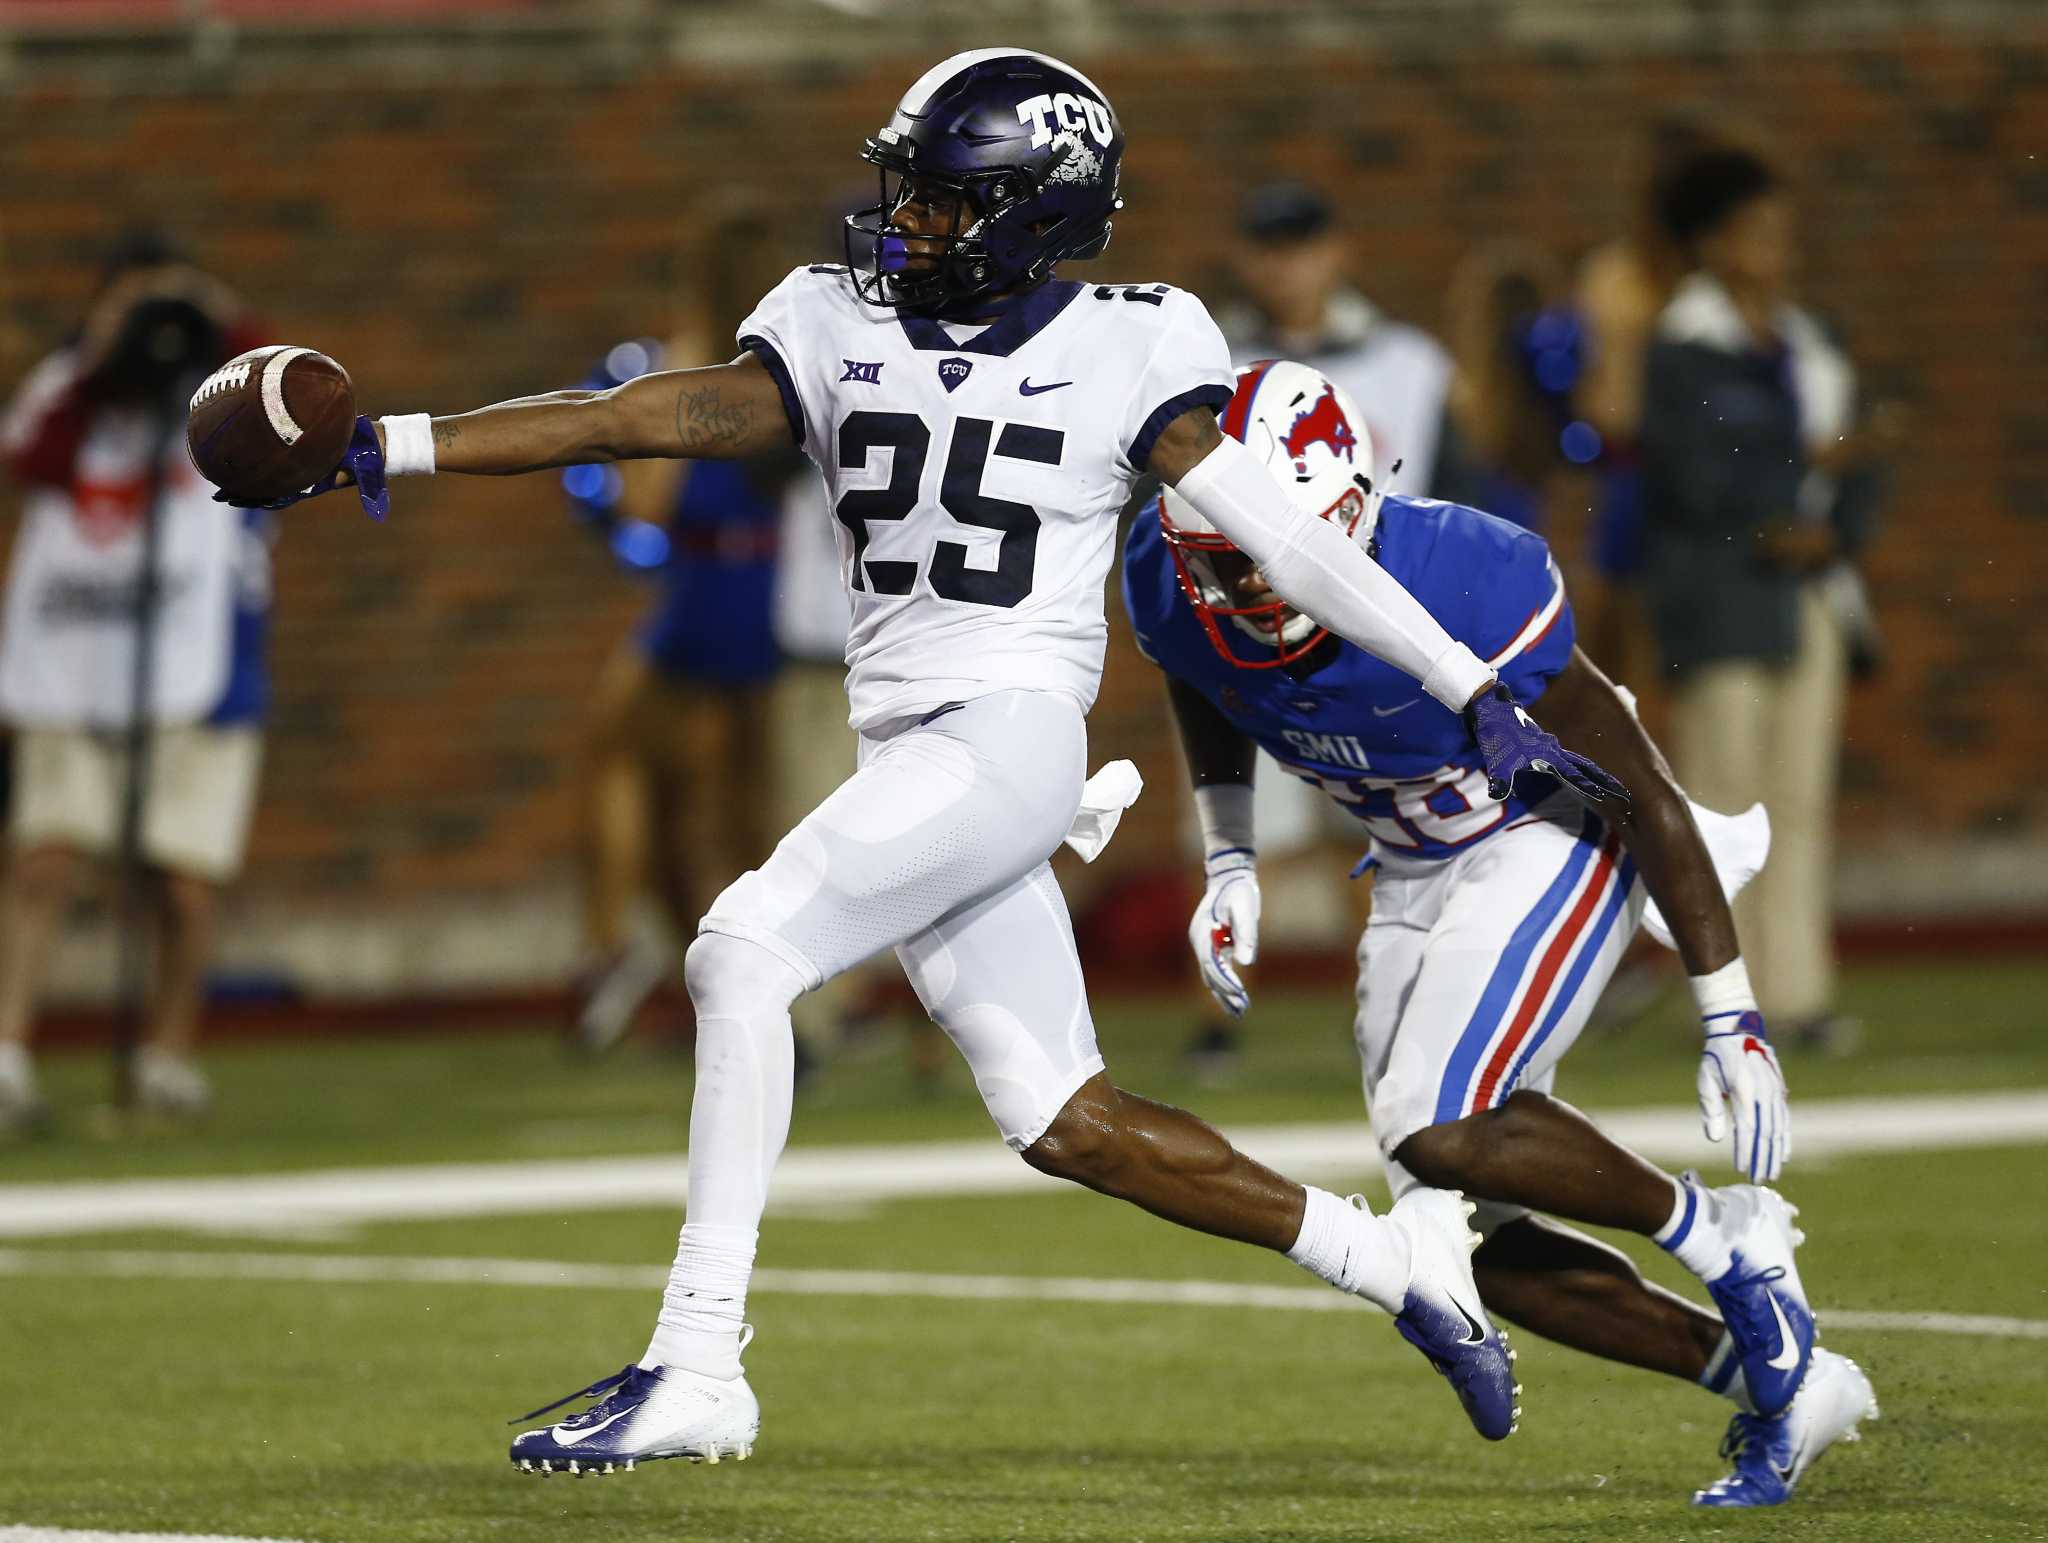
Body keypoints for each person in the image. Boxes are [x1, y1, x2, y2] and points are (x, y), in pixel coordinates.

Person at [245, 50, 1635, 1470]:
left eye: (942, 200)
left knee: (740, 951)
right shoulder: (830, 315)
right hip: (913, 745)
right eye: (905, 190)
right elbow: (639, 414)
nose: (903, 221)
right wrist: (387, 445)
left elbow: (1291, 540)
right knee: (1066, 1120)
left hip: (1009, 736)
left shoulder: (1139, 341)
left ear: (1037, 210)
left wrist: (1470, 681)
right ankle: (1398, 1261)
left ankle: (697, 1357)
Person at [1123, 358, 1877, 1508]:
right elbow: (1199, 671)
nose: (1249, 588)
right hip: (1410, 867)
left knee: (1439, 1128)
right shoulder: (1166, 576)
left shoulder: (1465, 573)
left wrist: (1731, 1015)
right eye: (1221, 559)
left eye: (1267, 553)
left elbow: (1642, 786)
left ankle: (1724, 1237)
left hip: (1544, 836)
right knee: (1465, 1233)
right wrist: (1228, 849)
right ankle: (1785, 1385)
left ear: (1347, 511)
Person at [0, 231, 270, 1131]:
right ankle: (7, 1052)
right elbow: (29, 461)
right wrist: (99, 353)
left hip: (200, 659)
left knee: (184, 880)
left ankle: (166, 1054)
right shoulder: (69, 388)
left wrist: (213, 314)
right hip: (77, 657)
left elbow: (288, 404)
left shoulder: (225, 387)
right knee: (45, 854)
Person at [1640, 148, 1898, 1055]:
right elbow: (1696, 473)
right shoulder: (1682, 347)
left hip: (1811, 588)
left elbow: (1866, 451)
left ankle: (1799, 993)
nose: (1776, 247)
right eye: (1755, 230)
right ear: (1709, 243)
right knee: (1722, 800)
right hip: (1722, 596)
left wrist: (1836, 528)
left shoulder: (1810, 337)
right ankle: (1726, 1000)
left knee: (1798, 800)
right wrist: (1790, 492)